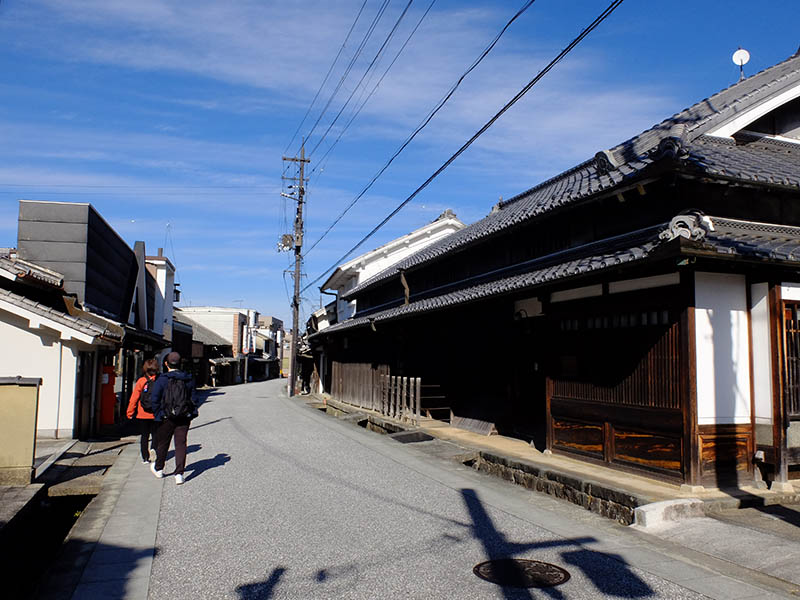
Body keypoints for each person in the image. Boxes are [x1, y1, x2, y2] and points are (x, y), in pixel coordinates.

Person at [150, 351, 197, 485]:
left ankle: (159, 469)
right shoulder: (188, 379)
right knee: (181, 444)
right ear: (181, 363)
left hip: (166, 417)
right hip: (183, 416)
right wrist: (191, 413)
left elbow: (155, 399)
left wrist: (159, 414)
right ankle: (179, 474)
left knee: (163, 443)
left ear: (166, 363)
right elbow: (194, 399)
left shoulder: (162, 379)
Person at [126, 358, 159, 464]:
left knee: (144, 436)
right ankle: (154, 449)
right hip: (156, 413)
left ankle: (145, 457)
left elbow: (134, 398)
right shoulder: (159, 380)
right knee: (155, 434)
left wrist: (130, 412)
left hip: (142, 413)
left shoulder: (141, 381)